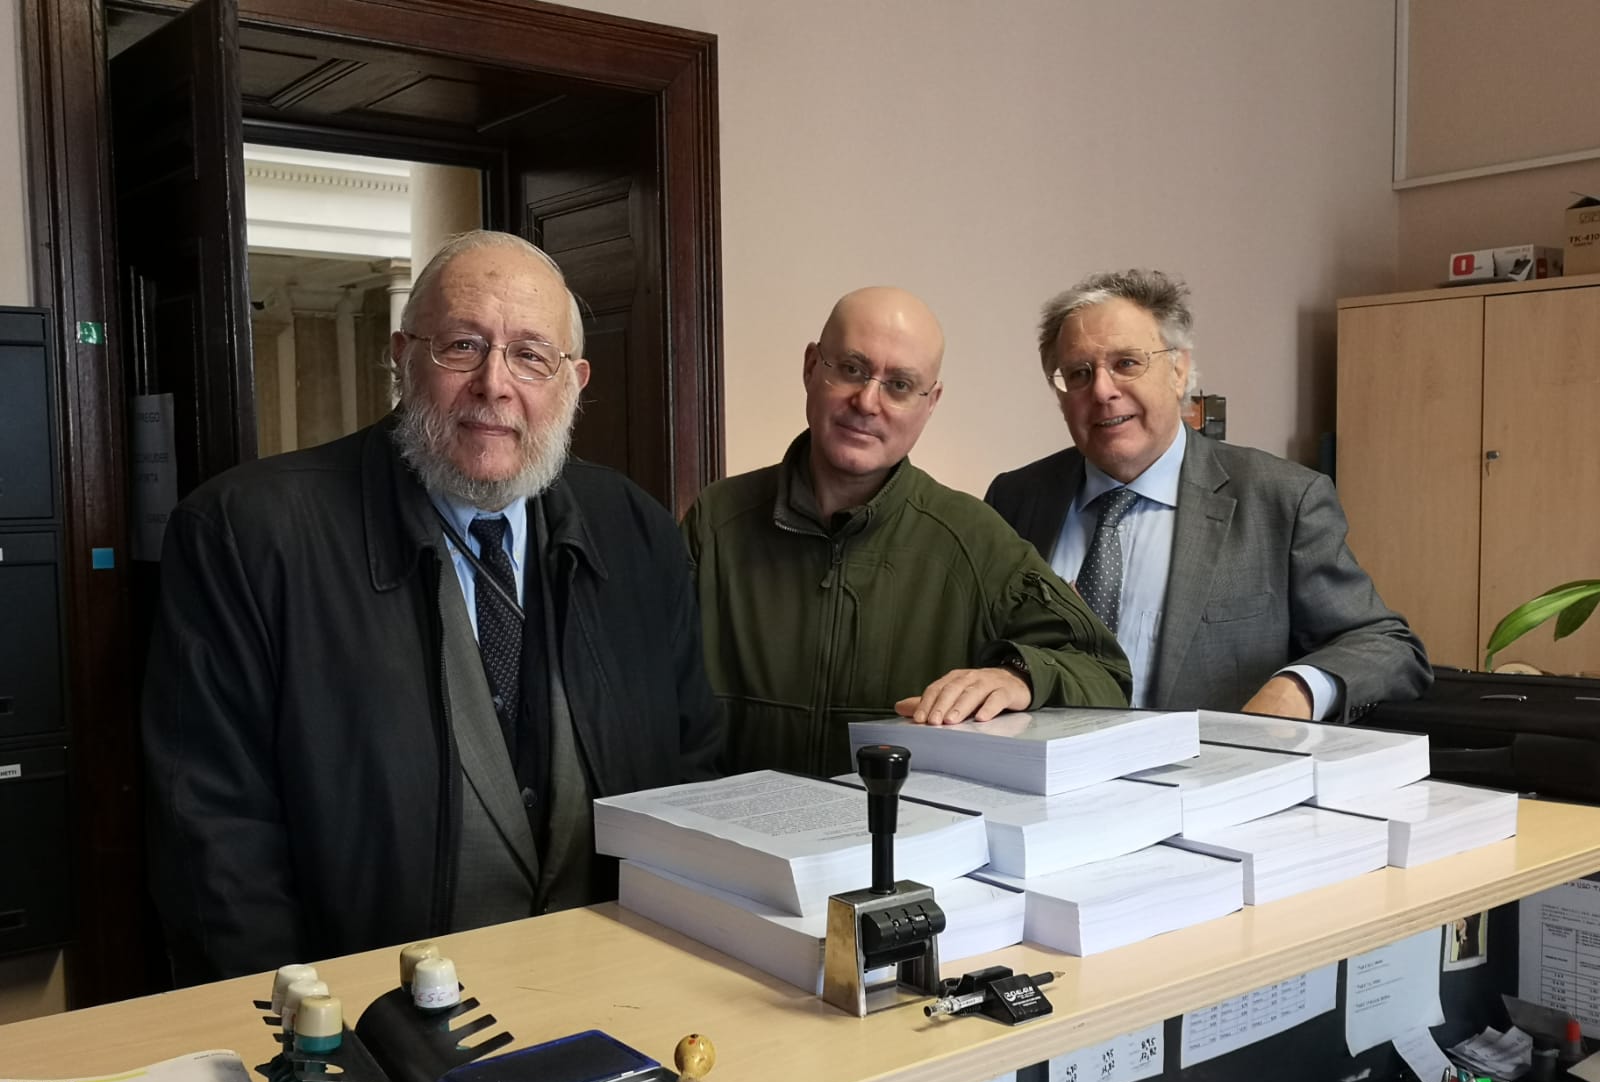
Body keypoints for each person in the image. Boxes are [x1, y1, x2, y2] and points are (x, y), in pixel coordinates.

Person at [144, 230, 721, 984]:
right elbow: (213, 841)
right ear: (402, 355)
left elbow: (694, 770)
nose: (494, 383)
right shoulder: (246, 535)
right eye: (462, 345)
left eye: (530, 355)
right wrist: (305, 1046)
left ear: (574, 381)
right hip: (363, 1034)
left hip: (610, 1000)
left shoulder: (638, 531)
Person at [684, 286, 1131, 778]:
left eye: (899, 385)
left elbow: (1104, 672)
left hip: (899, 845)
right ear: (812, 367)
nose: (868, 401)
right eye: (851, 369)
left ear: (930, 401)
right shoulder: (717, 521)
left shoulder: (973, 539)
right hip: (729, 841)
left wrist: (1018, 676)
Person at [985, 268, 1430, 720]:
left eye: (1126, 363)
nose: (1102, 390)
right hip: (1041, 779)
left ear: (1178, 372)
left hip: (1206, 779)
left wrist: (1299, 689)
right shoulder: (1017, 498)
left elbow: (1386, 645)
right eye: (1078, 373)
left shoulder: (1280, 499)